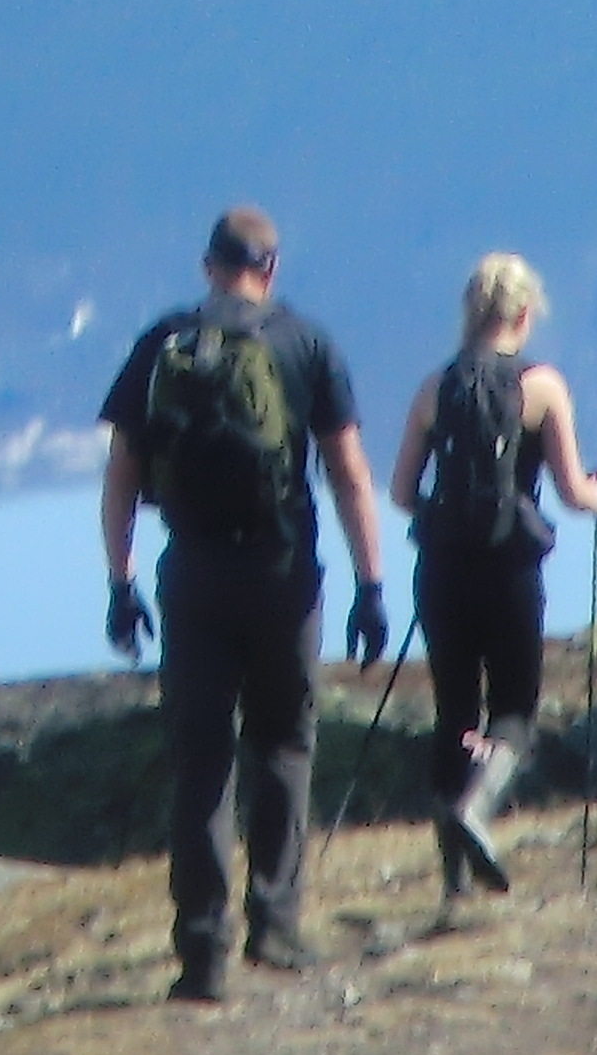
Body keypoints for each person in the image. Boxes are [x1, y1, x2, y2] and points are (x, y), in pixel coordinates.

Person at [98, 206, 386, 1003]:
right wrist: (371, 585)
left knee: (201, 760)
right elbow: (350, 473)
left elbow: (122, 472)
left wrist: (119, 583)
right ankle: (277, 925)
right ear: (272, 267)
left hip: (191, 573)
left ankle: (202, 954)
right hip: (283, 572)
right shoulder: (307, 342)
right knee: (284, 744)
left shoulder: (164, 343)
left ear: (208, 265)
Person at [383, 253, 597, 905]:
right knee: (514, 709)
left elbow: (402, 491)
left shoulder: (435, 389)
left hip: (443, 574)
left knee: (454, 708)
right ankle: (478, 809)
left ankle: (453, 883)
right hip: (511, 570)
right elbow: (572, 491)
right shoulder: (541, 388)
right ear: (523, 314)